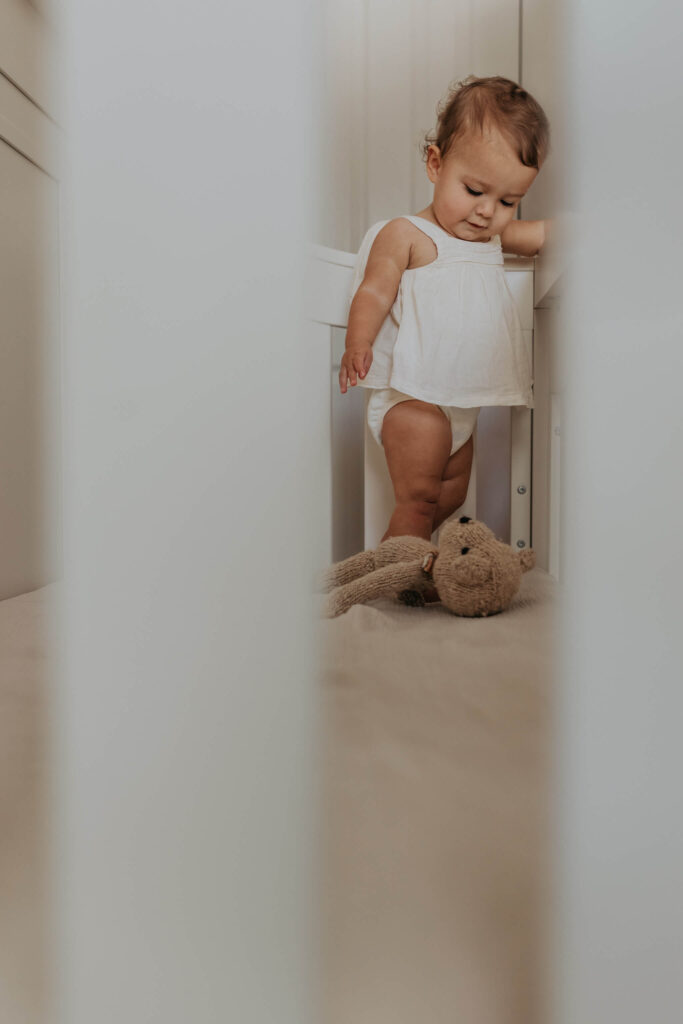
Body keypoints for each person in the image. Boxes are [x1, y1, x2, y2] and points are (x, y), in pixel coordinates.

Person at [340, 75, 550, 545]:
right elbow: (374, 291)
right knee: (417, 499)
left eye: (507, 201)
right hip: (415, 400)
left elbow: (539, 236)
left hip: (460, 407)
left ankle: (410, 560)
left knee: (449, 496)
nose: (486, 212)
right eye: (474, 190)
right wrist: (358, 340)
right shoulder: (409, 234)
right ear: (436, 163)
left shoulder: (492, 235)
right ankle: (399, 575)